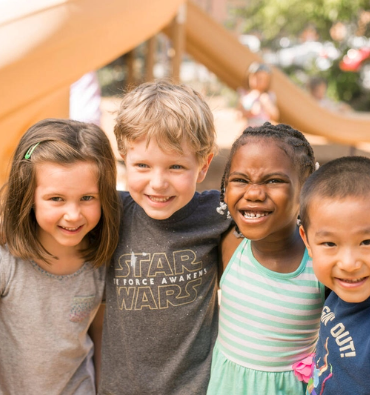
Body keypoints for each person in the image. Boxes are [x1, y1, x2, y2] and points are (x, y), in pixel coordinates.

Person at [206, 123, 370, 395]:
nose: (253, 193)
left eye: (273, 180)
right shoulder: (228, 243)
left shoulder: (321, 263)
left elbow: (366, 282)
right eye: (240, 179)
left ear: (306, 186)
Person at [99, 81, 232, 395]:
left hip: (197, 387)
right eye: (142, 165)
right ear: (123, 158)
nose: (158, 183)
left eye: (176, 166)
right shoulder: (110, 213)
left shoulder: (218, 214)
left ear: (203, 165)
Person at [0, 118, 120, 394]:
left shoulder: (103, 257)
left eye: (88, 198)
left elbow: (100, 330)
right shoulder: (6, 259)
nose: (73, 214)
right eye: (56, 199)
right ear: (28, 195)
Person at [299, 156, 370, 395]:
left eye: (367, 241)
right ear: (307, 242)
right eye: (329, 243)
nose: (348, 264)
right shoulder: (339, 287)